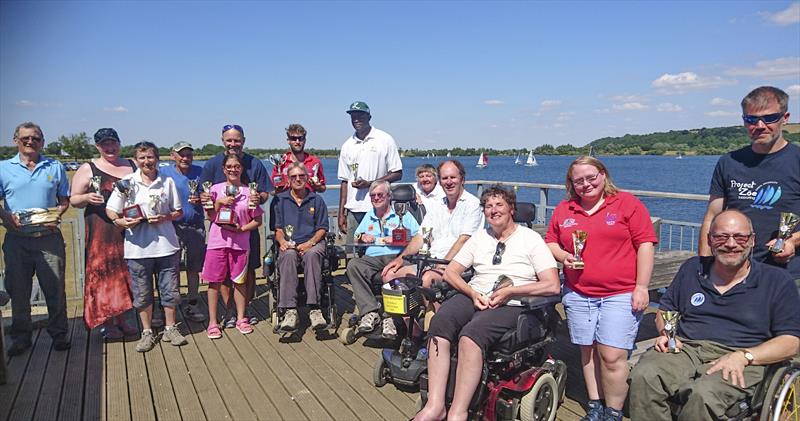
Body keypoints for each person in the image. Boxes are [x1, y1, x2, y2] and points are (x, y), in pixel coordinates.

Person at [629, 210, 800, 421]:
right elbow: (666, 310)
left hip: (743, 356)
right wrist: (666, 332)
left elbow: (791, 342)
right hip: (687, 348)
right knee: (644, 376)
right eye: (721, 236)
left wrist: (744, 356)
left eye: (740, 237)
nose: (730, 243)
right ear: (710, 240)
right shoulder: (693, 268)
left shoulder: (776, 280)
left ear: (752, 240)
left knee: (703, 395)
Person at [413, 186, 560, 421]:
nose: (493, 210)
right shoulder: (481, 237)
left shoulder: (530, 239)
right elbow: (451, 272)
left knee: (471, 336)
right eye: (488, 206)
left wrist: (511, 291)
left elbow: (552, 284)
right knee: (439, 323)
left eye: (499, 205)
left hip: (512, 302)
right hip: (477, 293)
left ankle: (458, 412)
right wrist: (471, 293)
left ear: (511, 208)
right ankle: (435, 404)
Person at [545, 156, 656, 421]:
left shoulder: (626, 203)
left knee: (612, 354)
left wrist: (642, 286)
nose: (586, 184)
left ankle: (614, 411)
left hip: (620, 292)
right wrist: (563, 256)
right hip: (579, 292)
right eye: (578, 180)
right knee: (587, 350)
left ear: (603, 175)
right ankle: (596, 405)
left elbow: (646, 244)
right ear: (571, 184)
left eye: (591, 177)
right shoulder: (565, 209)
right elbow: (550, 241)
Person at [699, 86, 800, 281]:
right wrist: (704, 266)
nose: (760, 125)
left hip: (790, 276)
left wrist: (793, 241)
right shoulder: (729, 162)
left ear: (785, 118)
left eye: (769, 118)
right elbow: (711, 218)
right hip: (736, 274)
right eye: (751, 119)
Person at [106, 141, 188, 352]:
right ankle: (147, 332)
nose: (146, 162)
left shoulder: (167, 181)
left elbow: (178, 212)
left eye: (150, 157)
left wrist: (165, 217)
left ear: (157, 159)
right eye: (142, 158)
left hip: (166, 246)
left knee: (170, 291)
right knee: (142, 293)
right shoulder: (126, 183)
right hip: (137, 248)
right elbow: (111, 210)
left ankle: (171, 327)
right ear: (135, 160)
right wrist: (120, 222)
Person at [0, 122, 71, 355]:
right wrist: (6, 216)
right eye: (25, 138)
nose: (31, 142)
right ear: (15, 140)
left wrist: (57, 215)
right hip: (17, 240)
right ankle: (21, 337)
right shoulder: (3, 168)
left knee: (55, 289)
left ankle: (59, 334)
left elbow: (63, 200)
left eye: (36, 138)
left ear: (43, 141)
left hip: (49, 237)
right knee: (18, 290)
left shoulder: (56, 166)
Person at [199, 124, 272, 327]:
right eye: (229, 140)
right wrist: (207, 198)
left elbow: (265, 192)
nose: (233, 144)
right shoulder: (213, 164)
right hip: (220, 233)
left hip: (245, 228)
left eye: (237, 140)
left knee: (248, 270)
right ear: (222, 140)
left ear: (243, 141)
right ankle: (229, 309)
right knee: (221, 276)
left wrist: (259, 198)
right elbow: (203, 194)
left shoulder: (254, 163)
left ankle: (245, 309)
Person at [69, 128, 137, 339]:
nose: (110, 147)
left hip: (129, 227)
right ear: (98, 146)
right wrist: (88, 197)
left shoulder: (132, 165)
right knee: (105, 274)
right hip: (102, 230)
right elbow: (73, 199)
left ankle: (123, 319)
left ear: (119, 143)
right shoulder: (88, 168)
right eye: (104, 144)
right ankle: (107, 322)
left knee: (126, 274)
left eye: (113, 143)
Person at [381, 160, 483, 290]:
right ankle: (406, 310)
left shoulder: (472, 204)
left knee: (426, 279)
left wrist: (441, 265)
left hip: (456, 264)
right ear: (440, 182)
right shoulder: (437, 205)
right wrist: (400, 259)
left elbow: (464, 240)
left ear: (462, 179)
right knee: (389, 275)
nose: (449, 182)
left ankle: (433, 310)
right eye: (445, 178)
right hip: (430, 261)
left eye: (453, 177)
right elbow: (422, 235)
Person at [346, 180, 420, 338]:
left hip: (397, 256)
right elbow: (356, 236)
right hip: (372, 258)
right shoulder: (369, 215)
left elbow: (418, 237)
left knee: (391, 272)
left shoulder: (402, 214)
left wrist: (397, 239)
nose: (376, 198)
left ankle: (390, 317)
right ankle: (370, 311)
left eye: (380, 195)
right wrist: (362, 237)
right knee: (353, 265)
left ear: (389, 196)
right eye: (373, 195)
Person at [273, 163, 329, 332]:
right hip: (290, 243)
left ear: (307, 178)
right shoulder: (279, 200)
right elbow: (278, 229)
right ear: (288, 180)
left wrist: (310, 243)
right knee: (288, 255)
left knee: (312, 255)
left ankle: (315, 308)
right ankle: (290, 311)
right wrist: (282, 241)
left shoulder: (316, 200)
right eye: (293, 177)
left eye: (301, 176)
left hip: (313, 242)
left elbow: (322, 228)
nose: (298, 179)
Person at [337, 101, 403, 241]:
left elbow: (397, 173)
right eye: (353, 116)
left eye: (360, 115)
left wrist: (371, 184)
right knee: (353, 251)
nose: (356, 119)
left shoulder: (385, 139)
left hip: (379, 208)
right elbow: (344, 181)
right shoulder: (347, 145)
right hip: (354, 210)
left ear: (369, 117)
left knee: (380, 249)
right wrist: (341, 213)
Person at [159, 141, 207, 323]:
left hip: (196, 226)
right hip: (172, 227)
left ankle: (193, 304)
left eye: (189, 154)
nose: (185, 158)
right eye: (181, 154)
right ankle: (172, 306)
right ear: (173, 155)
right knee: (172, 268)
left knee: (194, 268)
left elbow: (209, 196)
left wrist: (202, 198)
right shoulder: (164, 174)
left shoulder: (200, 172)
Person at [270, 124, 326, 193]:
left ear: (304, 140)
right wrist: (278, 190)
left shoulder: (315, 162)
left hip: (308, 202)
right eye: (293, 139)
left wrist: (318, 187)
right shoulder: (280, 162)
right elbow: (271, 191)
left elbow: (323, 188)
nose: (297, 142)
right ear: (288, 141)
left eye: (300, 138)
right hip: (285, 202)